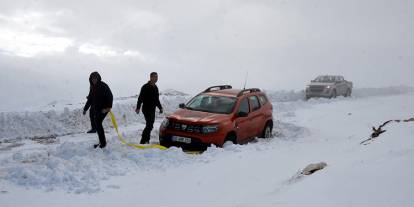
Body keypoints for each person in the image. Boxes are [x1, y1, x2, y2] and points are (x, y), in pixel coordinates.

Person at [82, 72, 113, 148]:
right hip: (97, 108)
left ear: (98, 78)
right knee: (97, 123)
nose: (94, 80)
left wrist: (108, 108)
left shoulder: (103, 86)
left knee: (98, 123)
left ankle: (103, 143)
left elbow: (110, 96)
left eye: (95, 78)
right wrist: (85, 108)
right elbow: (90, 99)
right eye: (92, 78)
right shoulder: (92, 87)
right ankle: (102, 142)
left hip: (104, 108)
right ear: (90, 79)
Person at [136, 72, 163, 144]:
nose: (156, 78)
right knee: (149, 124)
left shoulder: (155, 88)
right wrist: (138, 107)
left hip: (152, 109)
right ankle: (143, 140)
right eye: (155, 77)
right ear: (150, 77)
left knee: (150, 125)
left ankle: (146, 139)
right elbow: (140, 98)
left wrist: (160, 108)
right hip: (146, 109)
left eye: (157, 77)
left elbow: (157, 99)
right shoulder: (145, 87)